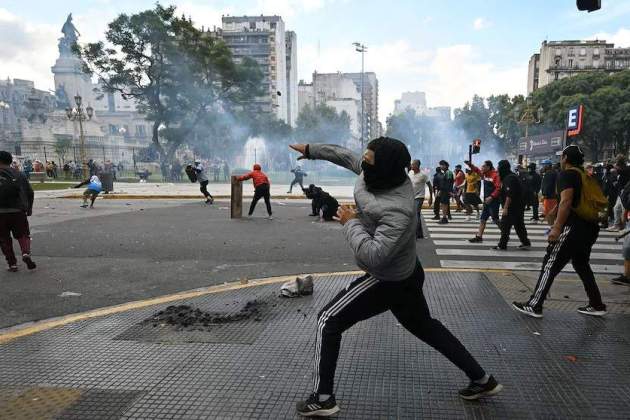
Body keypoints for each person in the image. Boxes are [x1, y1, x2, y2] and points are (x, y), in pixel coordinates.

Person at [289, 139, 502, 417]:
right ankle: (483, 380)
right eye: (365, 158)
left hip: (388, 279)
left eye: (369, 160)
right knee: (425, 327)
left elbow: (375, 257)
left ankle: (323, 398)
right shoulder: (374, 171)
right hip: (407, 271)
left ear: (386, 168)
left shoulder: (398, 209)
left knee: (328, 320)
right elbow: (345, 156)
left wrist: (350, 222)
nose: (363, 163)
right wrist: (312, 151)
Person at [513, 145, 607, 318]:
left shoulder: (567, 174)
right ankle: (596, 304)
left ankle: (534, 305)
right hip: (590, 227)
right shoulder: (585, 175)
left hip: (573, 227)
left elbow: (567, 201)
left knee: (550, 264)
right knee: (581, 264)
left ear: (564, 158)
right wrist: (553, 213)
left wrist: (556, 228)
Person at [0, 151, 36, 272]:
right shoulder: (19, 174)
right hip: (17, 210)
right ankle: (25, 253)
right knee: (23, 234)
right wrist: (29, 208)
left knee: (4, 238)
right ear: (10, 161)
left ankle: (12, 264)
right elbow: (30, 192)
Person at [494, 160, 531, 251]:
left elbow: (510, 194)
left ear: (503, 168)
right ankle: (525, 242)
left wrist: (505, 208)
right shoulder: (511, 176)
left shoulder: (509, 178)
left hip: (512, 206)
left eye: (499, 167)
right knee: (519, 225)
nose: (497, 169)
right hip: (518, 205)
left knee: (505, 225)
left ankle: (502, 245)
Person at [466, 160, 501, 243]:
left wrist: (491, 197)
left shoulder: (495, 175)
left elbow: (498, 188)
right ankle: (479, 236)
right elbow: (477, 170)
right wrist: (471, 165)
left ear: (488, 167)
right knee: (483, 219)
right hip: (486, 201)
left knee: (495, 219)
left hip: (494, 201)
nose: (482, 168)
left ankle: (505, 233)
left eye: (484, 166)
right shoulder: (485, 174)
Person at [408, 159, 432, 239]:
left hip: (420, 197)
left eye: (413, 165)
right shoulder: (410, 173)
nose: (411, 166)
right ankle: (420, 234)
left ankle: (415, 234)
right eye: (411, 164)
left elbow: (429, 185)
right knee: (416, 214)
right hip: (412, 196)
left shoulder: (423, 174)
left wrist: (431, 197)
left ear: (417, 166)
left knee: (416, 214)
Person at [609, 156, 630, 232]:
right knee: (616, 208)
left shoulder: (626, 169)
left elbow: (621, 171)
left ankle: (623, 227)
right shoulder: (621, 170)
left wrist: (614, 169)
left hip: (626, 193)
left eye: (616, 163)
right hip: (621, 193)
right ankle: (617, 225)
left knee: (625, 210)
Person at [437, 160, 454, 224]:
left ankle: (444, 218)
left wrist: (449, 191)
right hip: (444, 191)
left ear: (445, 165)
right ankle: (444, 217)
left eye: (441, 165)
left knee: (444, 204)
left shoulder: (448, 172)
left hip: (446, 191)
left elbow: (448, 182)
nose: (440, 166)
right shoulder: (445, 173)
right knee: (443, 204)